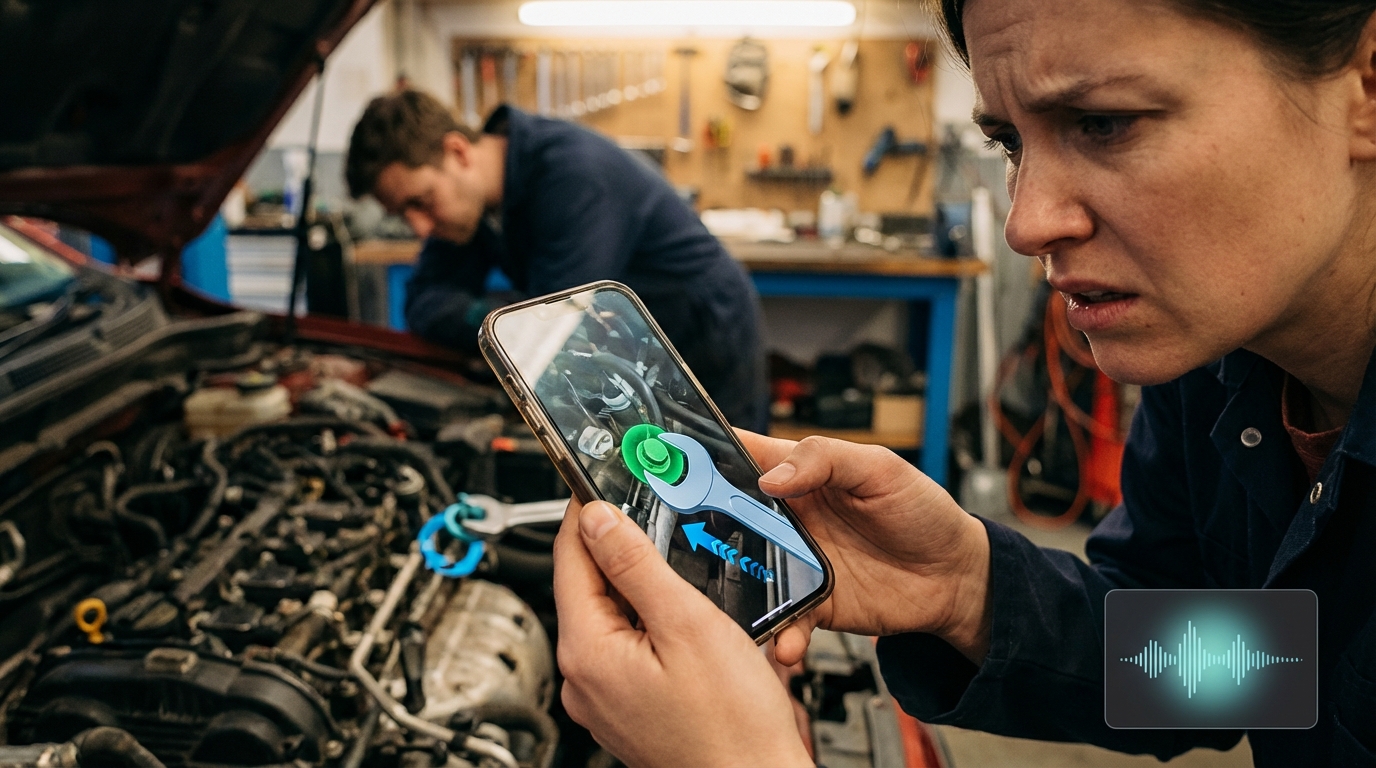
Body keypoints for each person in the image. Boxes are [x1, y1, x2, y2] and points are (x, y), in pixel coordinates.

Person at [550, 0, 1376, 765]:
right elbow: (1267, 667)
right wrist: (966, 588)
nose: (1025, 222)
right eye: (1010, 143)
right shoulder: (1217, 363)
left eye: (1105, 123)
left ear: (1366, 88)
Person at [344, 91, 768, 430]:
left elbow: (550, 329)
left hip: (701, 336)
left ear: (457, 152)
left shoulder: (572, 175)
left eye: (420, 202)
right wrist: (494, 317)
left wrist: (497, 317)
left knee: (728, 486)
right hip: (628, 347)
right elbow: (424, 303)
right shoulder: (467, 208)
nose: (419, 228)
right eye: (403, 214)